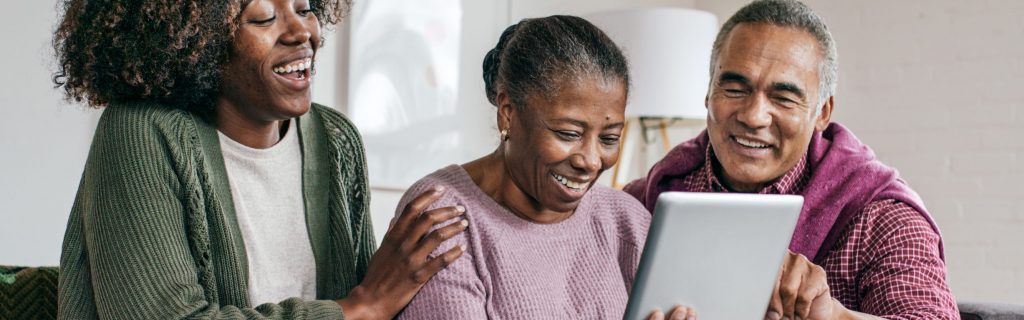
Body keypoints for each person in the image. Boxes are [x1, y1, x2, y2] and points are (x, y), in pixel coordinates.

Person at [54, 0, 467, 318]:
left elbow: (378, 301)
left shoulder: (337, 140)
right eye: (263, 19)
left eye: (305, 9)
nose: (300, 31)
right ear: (200, 41)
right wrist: (355, 308)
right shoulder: (142, 132)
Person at [624, 1, 958, 319]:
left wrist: (834, 316)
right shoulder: (645, 200)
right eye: (736, 89)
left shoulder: (879, 216)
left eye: (783, 98)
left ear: (822, 113)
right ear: (709, 92)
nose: (754, 116)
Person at [392, 16, 695, 320]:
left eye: (609, 138)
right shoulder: (444, 217)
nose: (590, 161)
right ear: (508, 113)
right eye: (568, 134)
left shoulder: (626, 221)